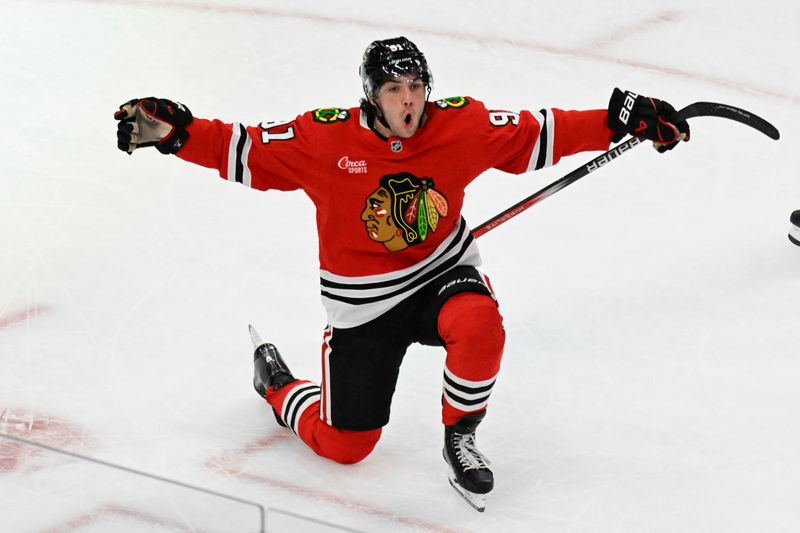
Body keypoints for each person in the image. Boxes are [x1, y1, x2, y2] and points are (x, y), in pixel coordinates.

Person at [114, 36, 689, 511]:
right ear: (371, 96)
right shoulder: (324, 138)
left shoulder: (459, 125)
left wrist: (620, 122)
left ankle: (460, 439)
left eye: (416, 87)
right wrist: (177, 133)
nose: (408, 101)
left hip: (442, 274)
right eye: (394, 89)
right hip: (364, 306)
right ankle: (279, 387)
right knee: (346, 448)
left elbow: (541, 132)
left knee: (480, 323)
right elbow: (244, 148)